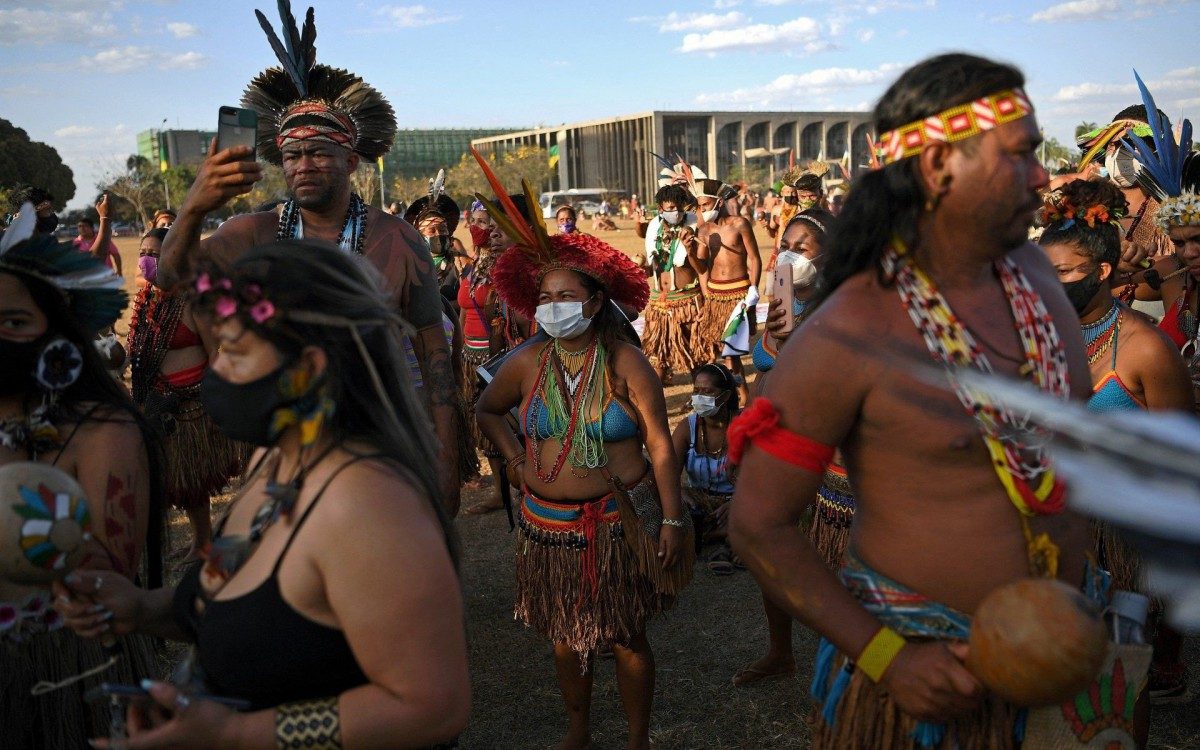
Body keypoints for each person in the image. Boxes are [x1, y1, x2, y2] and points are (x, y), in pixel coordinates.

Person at [729, 54, 1121, 748]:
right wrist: (889, 657)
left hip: (1066, 651)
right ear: (940, 167)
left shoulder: (1035, 273)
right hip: (928, 680)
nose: (1043, 176)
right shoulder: (850, 332)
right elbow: (759, 525)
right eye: (1021, 155)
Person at [55, 239, 470, 749]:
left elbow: (431, 707)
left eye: (234, 351)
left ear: (310, 368)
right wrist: (142, 609)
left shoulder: (367, 504)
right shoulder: (274, 462)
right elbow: (236, 598)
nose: (217, 371)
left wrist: (237, 732)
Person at [156, 2, 459, 513]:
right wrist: (193, 207)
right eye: (292, 155)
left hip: (381, 443)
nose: (303, 165)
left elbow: (434, 353)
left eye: (319, 151)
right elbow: (171, 276)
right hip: (286, 451)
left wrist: (446, 463)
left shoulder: (401, 241)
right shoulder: (254, 233)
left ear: (351, 159)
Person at [475, 181, 690, 750]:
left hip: (618, 524)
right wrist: (518, 459)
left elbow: (660, 447)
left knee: (625, 634)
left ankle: (637, 739)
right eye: (544, 299)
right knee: (565, 637)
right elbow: (487, 410)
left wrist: (671, 520)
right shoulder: (526, 362)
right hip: (547, 525)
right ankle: (578, 732)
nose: (553, 308)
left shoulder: (627, 361)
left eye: (565, 296)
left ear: (595, 302)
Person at [0, 208, 159, 749]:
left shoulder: (101, 431)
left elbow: (108, 583)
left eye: (14, 322)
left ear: (57, 334)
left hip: (68, 667)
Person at [1039, 178, 1194, 711]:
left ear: (1102, 273)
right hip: (1047, 530)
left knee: (1116, 693)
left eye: (1062, 273)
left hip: (1119, 546)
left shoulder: (1145, 350)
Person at [739, 207, 858, 687]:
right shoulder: (781, 293)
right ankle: (781, 650)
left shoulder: (842, 306)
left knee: (841, 564)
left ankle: (850, 660)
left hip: (828, 450)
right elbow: (765, 368)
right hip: (777, 442)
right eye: (786, 242)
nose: (789, 251)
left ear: (827, 253)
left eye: (802, 245)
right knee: (772, 549)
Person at [127, 227, 246, 560]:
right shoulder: (146, 300)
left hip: (192, 406)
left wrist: (222, 401)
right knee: (176, 483)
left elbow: (215, 353)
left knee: (195, 483)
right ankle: (199, 540)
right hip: (157, 404)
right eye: (143, 253)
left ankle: (205, 541)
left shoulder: (194, 299)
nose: (147, 261)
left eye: (156, 254)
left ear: (174, 257)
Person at [458, 196, 535, 515]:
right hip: (514, 370)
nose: (491, 232)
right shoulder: (496, 274)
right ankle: (518, 485)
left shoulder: (542, 272)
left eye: (501, 226)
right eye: (488, 226)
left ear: (527, 229)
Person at [695, 176, 761, 406]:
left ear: (718, 202)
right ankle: (736, 394)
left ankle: (742, 396)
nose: (702, 210)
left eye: (705, 205)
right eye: (700, 206)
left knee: (731, 352)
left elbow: (754, 257)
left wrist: (753, 289)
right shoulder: (704, 230)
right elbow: (701, 267)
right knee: (719, 350)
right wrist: (689, 249)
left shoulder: (739, 224)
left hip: (738, 293)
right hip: (714, 294)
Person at [672, 363, 739, 574]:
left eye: (708, 392)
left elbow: (765, 478)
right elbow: (666, 473)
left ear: (726, 397)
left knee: (756, 515)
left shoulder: (744, 425)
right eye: (696, 391)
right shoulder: (687, 427)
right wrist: (680, 493)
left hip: (739, 502)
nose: (700, 397)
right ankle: (724, 537)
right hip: (699, 502)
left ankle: (723, 538)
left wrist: (738, 503)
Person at [640, 183, 707, 384]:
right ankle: (658, 406)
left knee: (696, 357)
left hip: (687, 303)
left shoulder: (695, 225)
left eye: (679, 207)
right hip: (659, 302)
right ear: (661, 208)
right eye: (670, 208)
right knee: (658, 359)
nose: (675, 212)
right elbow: (653, 261)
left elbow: (702, 267)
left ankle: (700, 402)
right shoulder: (654, 226)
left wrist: (690, 250)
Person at [404, 171, 463, 303]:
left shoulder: (458, 262)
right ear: (419, 234)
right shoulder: (408, 265)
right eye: (431, 230)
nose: (438, 234)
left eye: (442, 229)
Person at [73, 196, 122, 276]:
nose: (82, 229)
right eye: (80, 226)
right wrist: (105, 218)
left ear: (92, 228)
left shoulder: (105, 240)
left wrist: (119, 272)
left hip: (106, 277)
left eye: (85, 226)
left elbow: (115, 254)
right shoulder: (74, 243)